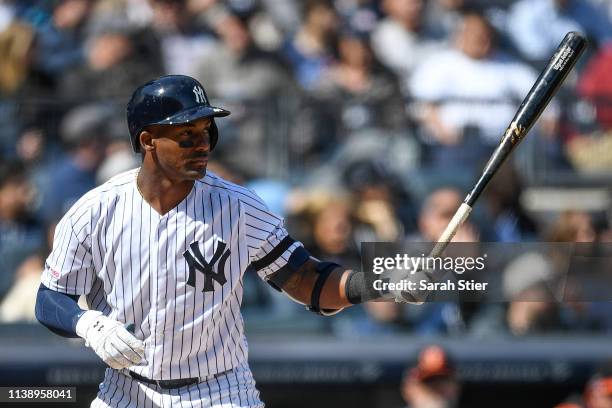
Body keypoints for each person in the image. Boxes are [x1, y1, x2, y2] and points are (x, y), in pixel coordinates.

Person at [34, 74, 423, 407]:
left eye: (206, 131)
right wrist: (89, 325)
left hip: (218, 390)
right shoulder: (96, 209)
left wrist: (378, 284)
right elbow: (50, 298)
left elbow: (307, 280)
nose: (202, 144)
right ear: (149, 140)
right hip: (127, 390)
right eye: (187, 134)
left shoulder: (238, 206)